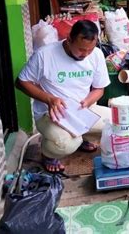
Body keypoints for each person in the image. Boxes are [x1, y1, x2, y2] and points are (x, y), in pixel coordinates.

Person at [16, 20, 111, 173]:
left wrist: (88, 101)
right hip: (51, 114)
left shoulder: (97, 55)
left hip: (83, 111)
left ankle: (84, 138)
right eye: (81, 49)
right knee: (66, 144)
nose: (85, 54)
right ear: (69, 39)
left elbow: (99, 89)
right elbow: (21, 82)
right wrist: (49, 99)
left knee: (118, 123)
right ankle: (48, 154)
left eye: (90, 50)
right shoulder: (45, 55)